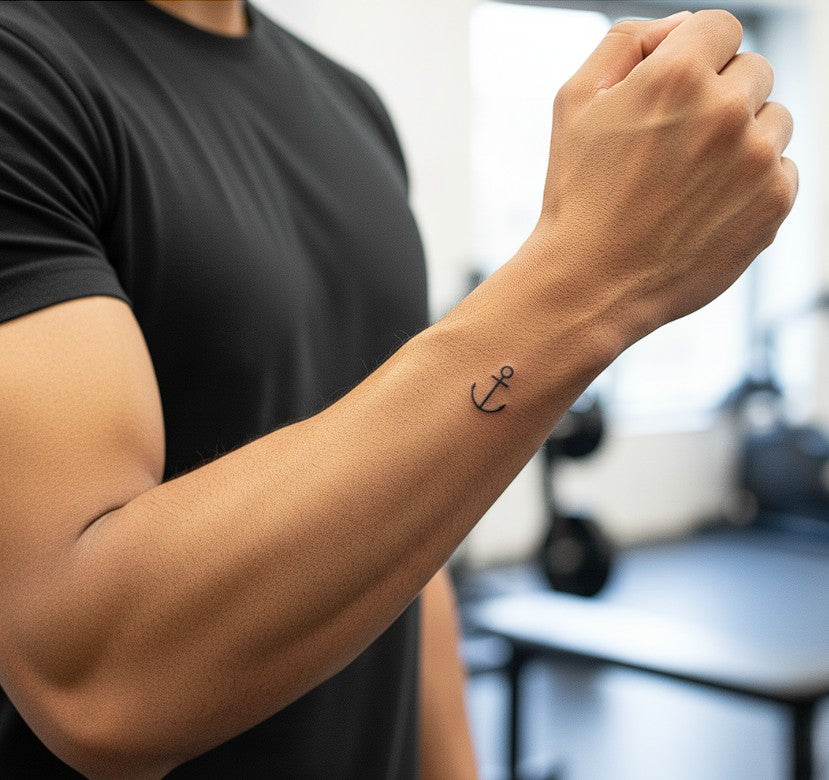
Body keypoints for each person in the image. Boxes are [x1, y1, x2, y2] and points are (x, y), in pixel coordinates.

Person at [0, 1, 795, 777]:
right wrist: (589, 274)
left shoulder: (350, 106)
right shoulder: (25, 72)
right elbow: (95, 678)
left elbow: (409, 527)